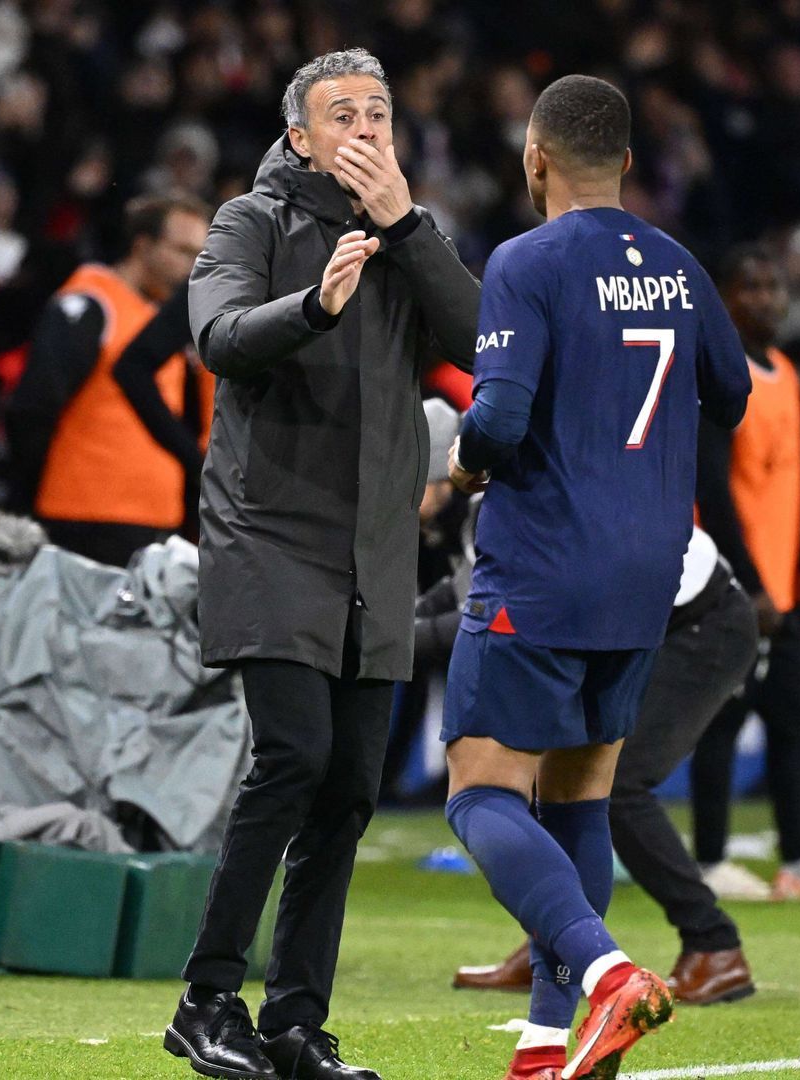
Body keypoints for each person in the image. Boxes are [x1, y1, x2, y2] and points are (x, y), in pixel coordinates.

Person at [166, 47, 478, 1080]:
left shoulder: (410, 238)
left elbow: (484, 339)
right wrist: (315, 309)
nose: (366, 130)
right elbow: (216, 335)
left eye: (380, 114)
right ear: (300, 136)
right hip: (270, 532)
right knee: (294, 755)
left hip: (373, 547)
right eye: (343, 114)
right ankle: (208, 999)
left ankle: (296, 1024)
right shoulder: (250, 223)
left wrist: (403, 227)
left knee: (348, 788)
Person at [441, 75, 751, 1080]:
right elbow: (733, 394)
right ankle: (547, 1045)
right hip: (651, 571)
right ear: (624, 161)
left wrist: (460, 467)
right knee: (578, 802)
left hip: (544, 563)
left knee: (480, 794)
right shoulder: (679, 266)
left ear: (536, 159)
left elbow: (493, 418)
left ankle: (609, 975)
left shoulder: (525, 262)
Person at [451, 526, 763, 1020]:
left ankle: (713, 943)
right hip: (624, 619)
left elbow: (475, 616)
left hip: (700, 625)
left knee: (613, 786)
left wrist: (379, 634)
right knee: (548, 776)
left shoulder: (493, 495)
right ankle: (559, 944)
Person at [688, 247, 800, 902]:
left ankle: (799, 862)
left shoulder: (785, 372)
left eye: (773, 288)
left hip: (779, 586)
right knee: (722, 720)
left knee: (794, 717)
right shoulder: (718, 378)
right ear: (724, 300)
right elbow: (714, 489)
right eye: (749, 287)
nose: (766, 300)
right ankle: (711, 859)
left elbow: (788, 490)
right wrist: (751, 580)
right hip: (733, 583)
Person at [6, 193, 212, 565]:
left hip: (155, 520)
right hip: (85, 518)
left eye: (201, 253)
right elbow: (32, 408)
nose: (194, 266)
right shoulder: (93, 303)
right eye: (183, 251)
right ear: (142, 245)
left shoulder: (162, 319)